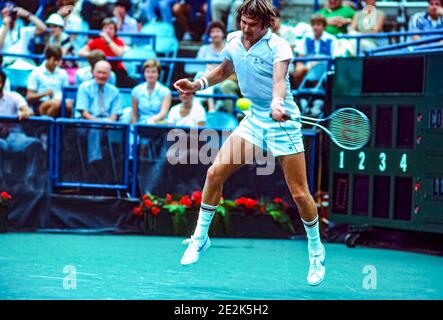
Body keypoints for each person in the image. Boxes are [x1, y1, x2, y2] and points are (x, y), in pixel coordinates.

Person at [174, 0, 326, 286]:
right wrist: (197, 85)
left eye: (252, 25)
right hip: (254, 121)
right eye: (243, 22)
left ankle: (316, 251)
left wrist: (278, 103)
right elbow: (223, 71)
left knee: (300, 194)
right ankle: (200, 238)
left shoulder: (279, 46)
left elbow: (279, 81)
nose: (246, 29)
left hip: (282, 123)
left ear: (266, 24)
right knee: (214, 173)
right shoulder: (234, 40)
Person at [0, 70, 43, 187]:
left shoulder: (14, 96)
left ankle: (30, 181)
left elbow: (25, 109)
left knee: (35, 144)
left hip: (15, 136)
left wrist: (25, 112)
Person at [78, 18, 137, 88]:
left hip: (116, 69)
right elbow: (80, 52)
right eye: (105, 28)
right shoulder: (96, 41)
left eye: (111, 28)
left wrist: (108, 40)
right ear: (102, 30)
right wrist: (94, 55)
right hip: (99, 69)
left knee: (134, 83)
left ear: (115, 32)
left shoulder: (118, 41)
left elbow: (119, 53)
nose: (108, 30)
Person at [195, 21, 239, 113]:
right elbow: (197, 66)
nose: (215, 34)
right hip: (205, 77)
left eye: (218, 31)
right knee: (203, 74)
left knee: (207, 77)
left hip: (224, 78)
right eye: (212, 32)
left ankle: (205, 108)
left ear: (223, 34)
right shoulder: (203, 49)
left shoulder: (230, 48)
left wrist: (216, 69)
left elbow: (234, 68)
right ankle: (210, 108)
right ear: (209, 35)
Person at [294, 14, 338, 88]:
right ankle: (302, 95)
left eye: (318, 24)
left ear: (324, 26)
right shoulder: (306, 38)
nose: (315, 27)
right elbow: (300, 57)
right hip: (309, 66)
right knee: (299, 70)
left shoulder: (331, 39)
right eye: (313, 25)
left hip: (326, 67)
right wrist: (299, 67)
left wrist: (318, 64)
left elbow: (335, 58)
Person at [27, 45, 70, 117]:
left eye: (58, 60)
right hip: (41, 103)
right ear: (47, 58)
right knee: (56, 104)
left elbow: (67, 95)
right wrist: (45, 94)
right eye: (54, 60)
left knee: (69, 105)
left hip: (60, 102)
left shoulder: (63, 73)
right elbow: (29, 96)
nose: (56, 63)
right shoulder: (36, 73)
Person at [131, 59, 171, 124]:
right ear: (144, 73)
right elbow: (134, 115)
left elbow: (163, 113)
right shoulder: (136, 90)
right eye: (147, 72)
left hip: (158, 125)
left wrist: (151, 120)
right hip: (141, 125)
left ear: (158, 74)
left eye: (153, 72)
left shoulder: (165, 91)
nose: (150, 75)